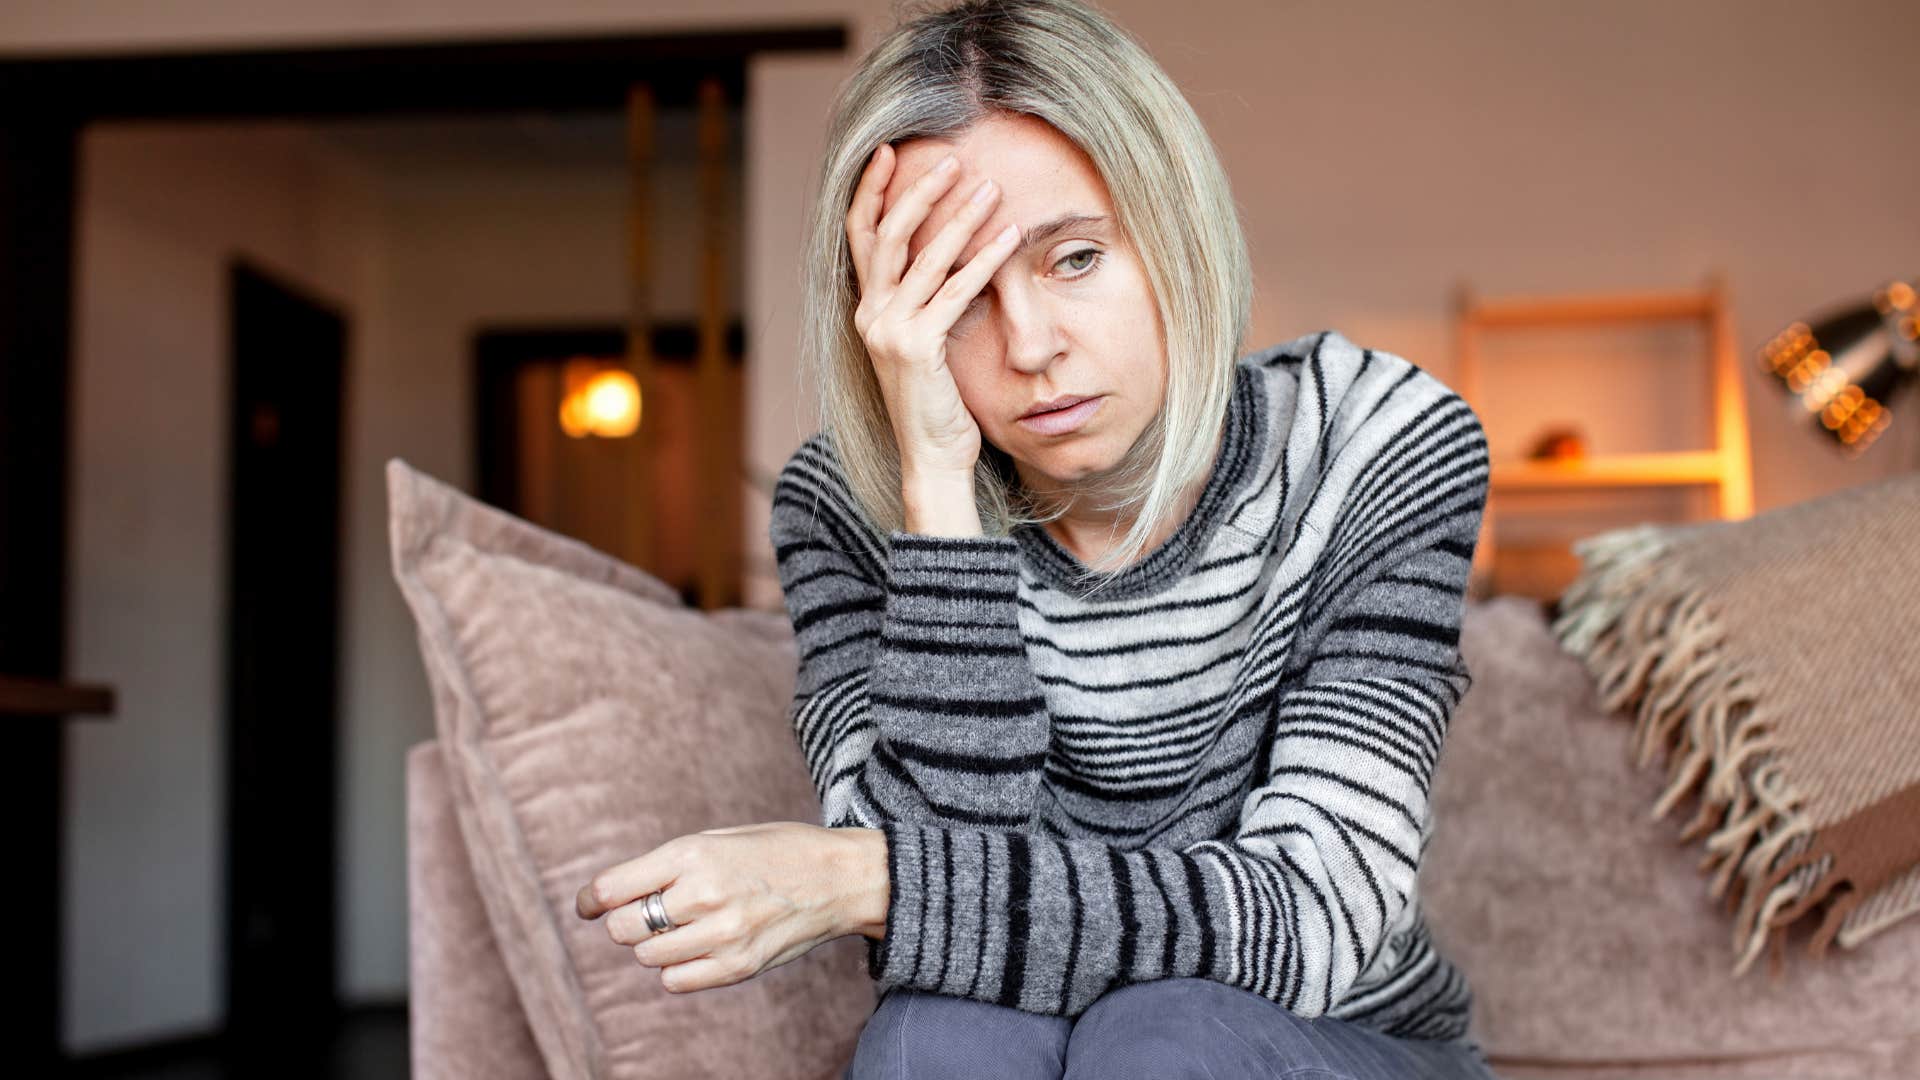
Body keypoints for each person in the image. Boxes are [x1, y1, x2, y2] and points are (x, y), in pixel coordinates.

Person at [581, 1, 1498, 1077]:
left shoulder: (1380, 442)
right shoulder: (842, 508)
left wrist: (865, 881)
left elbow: (1312, 923)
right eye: (957, 294)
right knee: (940, 1035)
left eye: (1074, 259)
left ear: (1178, 228)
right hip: (1012, 1026)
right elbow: (932, 952)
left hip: (1344, 1041)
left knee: (1162, 1035)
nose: (1030, 347)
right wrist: (936, 489)